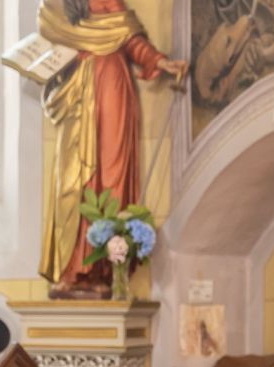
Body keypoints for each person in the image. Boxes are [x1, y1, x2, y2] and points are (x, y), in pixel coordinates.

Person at [38, 0, 187, 297]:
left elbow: (129, 37)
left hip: (111, 83)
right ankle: (72, 268)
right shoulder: (53, 4)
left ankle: (104, 271)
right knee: (71, 180)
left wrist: (160, 61)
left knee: (111, 172)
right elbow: (49, 43)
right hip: (75, 88)